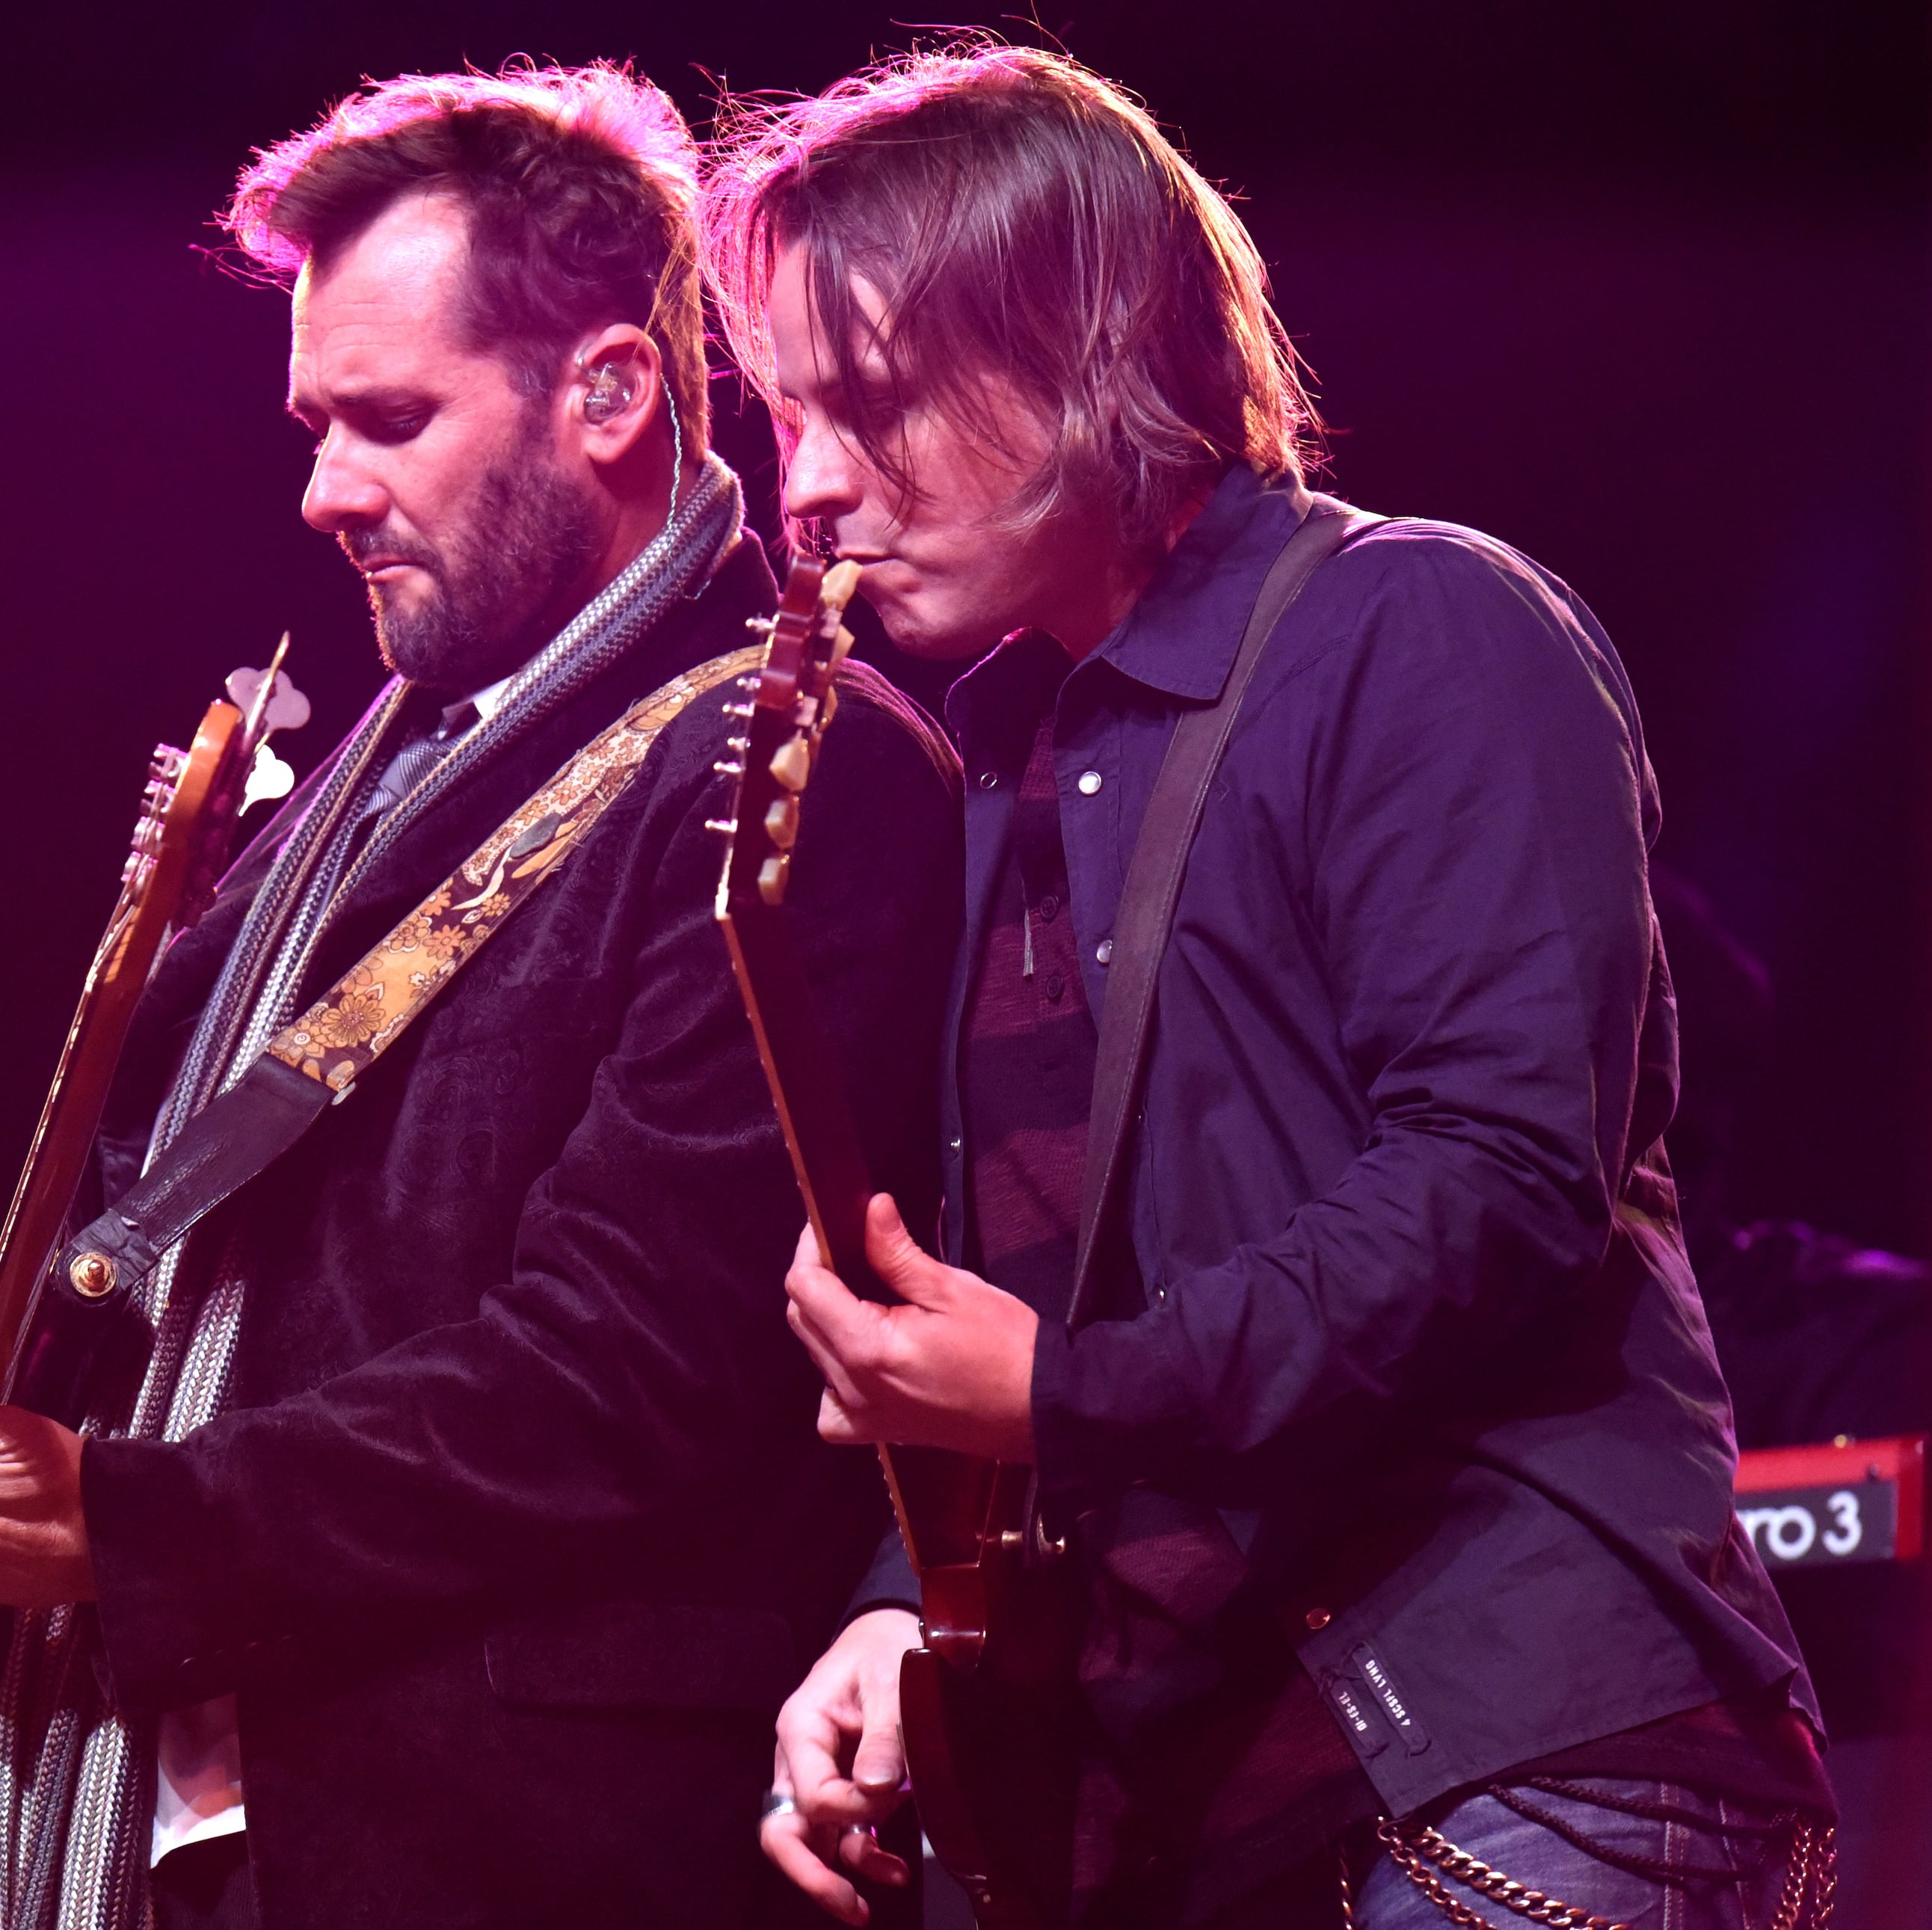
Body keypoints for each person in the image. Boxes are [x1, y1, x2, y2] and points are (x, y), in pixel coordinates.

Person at [0, 64, 963, 1930]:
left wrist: (115, 1523)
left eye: (389, 421)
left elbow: (636, 1368)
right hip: (192, 1819)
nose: (322, 492)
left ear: (615, 393)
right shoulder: (380, 779)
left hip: (509, 1852)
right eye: (314, 423)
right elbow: (157, 1224)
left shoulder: (803, 763)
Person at [698, 41, 1837, 1930]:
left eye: (871, 404)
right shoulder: (1012, 773)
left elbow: (1491, 1183)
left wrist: (1059, 1388)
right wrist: (898, 1616)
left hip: (1511, 1756)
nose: (805, 484)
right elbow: (1060, 1310)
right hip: (1203, 1813)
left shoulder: (1418, 624)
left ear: (1078, 353)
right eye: (789, 410)